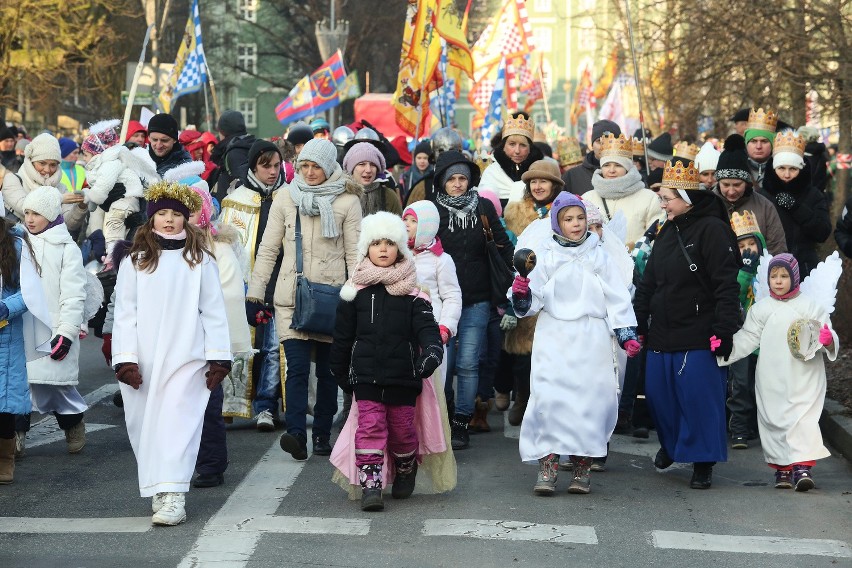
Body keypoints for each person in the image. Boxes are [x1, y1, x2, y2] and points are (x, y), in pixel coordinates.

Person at [112, 180, 231, 526]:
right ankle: (161, 488)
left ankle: (175, 494)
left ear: (186, 219)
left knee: (180, 422)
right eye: (161, 213)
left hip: (187, 356)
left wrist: (218, 357)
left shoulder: (199, 260)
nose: (168, 220)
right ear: (151, 219)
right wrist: (125, 358)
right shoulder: (134, 261)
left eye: (175, 214)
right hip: (146, 358)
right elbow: (125, 313)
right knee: (148, 425)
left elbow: (213, 310)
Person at [510, 192, 640, 495]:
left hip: (590, 336)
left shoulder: (600, 255)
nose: (576, 224)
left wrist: (626, 332)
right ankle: (548, 466)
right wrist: (522, 291)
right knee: (548, 399)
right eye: (569, 219)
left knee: (589, 402)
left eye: (580, 218)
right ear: (557, 222)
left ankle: (582, 468)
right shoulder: (544, 256)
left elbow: (617, 297)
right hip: (554, 335)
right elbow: (533, 300)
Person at [246, 139, 362, 460]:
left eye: (316, 166)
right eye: (304, 166)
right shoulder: (285, 197)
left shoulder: (348, 200)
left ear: (329, 167)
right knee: (296, 369)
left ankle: (323, 434)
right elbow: (269, 248)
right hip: (291, 295)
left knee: (327, 372)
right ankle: (296, 433)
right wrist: (256, 292)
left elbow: (354, 253)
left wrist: (356, 296)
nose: (309, 173)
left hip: (331, 298)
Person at [633, 159, 742, 490]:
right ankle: (672, 444)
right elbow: (648, 281)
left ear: (687, 199)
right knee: (658, 395)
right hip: (663, 330)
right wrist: (638, 320)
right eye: (661, 199)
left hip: (699, 331)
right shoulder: (668, 230)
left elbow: (726, 284)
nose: (662, 204)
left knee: (698, 399)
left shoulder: (713, 229)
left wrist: (724, 330)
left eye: (667, 198)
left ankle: (703, 461)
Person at [328, 212, 444, 511]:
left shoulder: (413, 294)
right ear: (366, 248)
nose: (382, 249)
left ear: (400, 248)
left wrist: (432, 352)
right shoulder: (354, 292)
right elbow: (342, 336)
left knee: (402, 431)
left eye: (389, 243)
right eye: (376, 243)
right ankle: (372, 486)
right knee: (369, 427)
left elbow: (427, 330)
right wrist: (340, 370)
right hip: (365, 376)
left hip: (403, 376)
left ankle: (406, 466)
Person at [716, 253, 839, 491]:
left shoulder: (811, 306)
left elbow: (826, 332)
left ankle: (802, 467)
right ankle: (782, 468)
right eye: (774, 276)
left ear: (794, 277)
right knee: (774, 419)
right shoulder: (761, 309)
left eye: (784, 276)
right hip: (772, 374)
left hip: (805, 375)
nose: (778, 281)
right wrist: (724, 348)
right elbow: (748, 337)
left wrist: (828, 340)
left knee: (803, 419)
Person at [433, 150, 514, 449]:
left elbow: (503, 244)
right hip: (440, 302)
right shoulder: (431, 210)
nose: (457, 184)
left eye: (462, 179)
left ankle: (461, 422)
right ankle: (446, 412)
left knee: (468, 363)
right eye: (451, 179)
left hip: (477, 299)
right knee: (444, 362)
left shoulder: (482, 207)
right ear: (441, 181)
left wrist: (521, 273)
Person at [187, 184, 252, 488]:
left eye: (189, 210)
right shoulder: (166, 245)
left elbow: (229, 294)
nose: (181, 218)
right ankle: (183, 461)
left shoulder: (219, 247)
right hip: (179, 338)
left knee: (208, 401)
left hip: (209, 339)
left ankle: (211, 463)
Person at [220, 140, 287, 429]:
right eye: (265, 166)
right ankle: (232, 402)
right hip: (244, 286)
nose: (272, 172)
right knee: (240, 345)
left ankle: (266, 406)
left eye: (276, 166)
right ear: (253, 167)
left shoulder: (290, 197)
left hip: (279, 285)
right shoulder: (236, 202)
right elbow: (224, 248)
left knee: (273, 348)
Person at [20, 186, 88, 454]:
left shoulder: (67, 248)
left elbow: (73, 294)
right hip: (22, 327)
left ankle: (73, 423)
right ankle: (14, 437)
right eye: (26, 212)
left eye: (36, 213)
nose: (30, 218)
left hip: (54, 328)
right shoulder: (18, 243)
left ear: (50, 214)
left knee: (56, 388)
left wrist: (67, 333)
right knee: (18, 387)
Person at [500, 159, 564, 425]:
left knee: (551, 358)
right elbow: (508, 251)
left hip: (556, 293)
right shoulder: (515, 212)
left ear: (555, 185)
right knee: (522, 358)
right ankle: (522, 399)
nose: (538, 186)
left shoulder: (565, 210)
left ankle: (550, 407)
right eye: (533, 181)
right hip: (524, 287)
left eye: (543, 181)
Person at [0, 217, 47, 484]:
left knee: (3, 403)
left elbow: (29, 291)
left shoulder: (16, 247)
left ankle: (5, 458)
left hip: (6, 336)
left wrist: (7, 307)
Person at [758, 130, 831, 277]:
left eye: (793, 169)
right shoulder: (761, 196)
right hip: (768, 270)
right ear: (773, 168)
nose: (786, 175)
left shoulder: (813, 195)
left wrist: (796, 207)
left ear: (801, 169)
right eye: (781, 168)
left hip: (804, 269)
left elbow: (823, 232)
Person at [582, 133, 662, 249]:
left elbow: (657, 236)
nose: (611, 170)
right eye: (606, 165)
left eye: (618, 165)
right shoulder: (587, 199)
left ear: (627, 167)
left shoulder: (648, 198)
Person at [712, 134, 788, 255]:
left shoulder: (765, 207)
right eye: (725, 185)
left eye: (737, 185)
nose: (731, 191)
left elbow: (777, 248)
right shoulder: (707, 205)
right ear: (718, 182)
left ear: (747, 182)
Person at [2, 133, 87, 234]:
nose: (47, 170)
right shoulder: (12, 180)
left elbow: (69, 224)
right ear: (31, 161)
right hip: (14, 245)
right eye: (42, 163)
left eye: (53, 165)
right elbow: (24, 206)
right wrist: (58, 198)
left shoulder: (61, 188)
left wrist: (80, 207)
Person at [480, 113, 543, 205]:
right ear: (504, 146)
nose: (517, 151)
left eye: (523, 145)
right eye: (512, 144)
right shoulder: (492, 172)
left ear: (530, 148)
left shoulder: (541, 170)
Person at [561, 120, 620, 196]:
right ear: (592, 145)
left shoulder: (631, 174)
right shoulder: (571, 177)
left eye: (610, 141)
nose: (605, 146)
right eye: (599, 141)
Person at [343, 142, 402, 216]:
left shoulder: (388, 196)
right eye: (362, 164)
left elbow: (399, 225)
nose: (368, 170)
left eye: (373, 165)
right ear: (351, 169)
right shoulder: (340, 194)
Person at [210, 110, 254, 200]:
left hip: (235, 207)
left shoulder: (233, 153)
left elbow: (239, 184)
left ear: (223, 132)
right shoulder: (250, 144)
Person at [744, 108, 778, 190]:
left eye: (764, 141)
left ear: (772, 144)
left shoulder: (782, 170)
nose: (758, 146)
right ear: (746, 144)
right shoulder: (737, 168)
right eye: (753, 141)